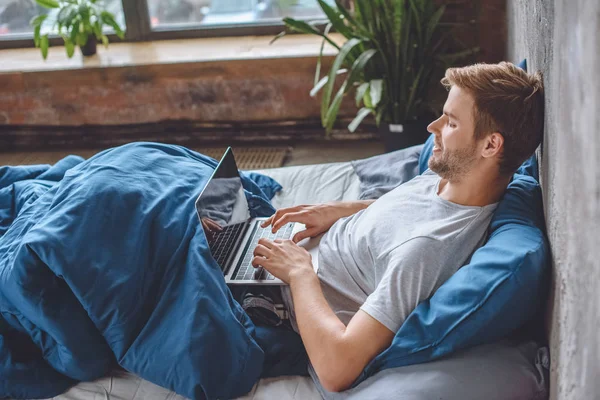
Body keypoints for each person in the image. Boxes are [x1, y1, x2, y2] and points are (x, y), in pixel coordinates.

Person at [251, 62, 544, 392]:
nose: (433, 127)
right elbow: (404, 217)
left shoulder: (425, 251)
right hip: (293, 251)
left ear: (490, 145)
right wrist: (340, 210)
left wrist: (299, 273)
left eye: (450, 122)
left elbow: (337, 367)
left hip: (274, 292)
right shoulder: (447, 177)